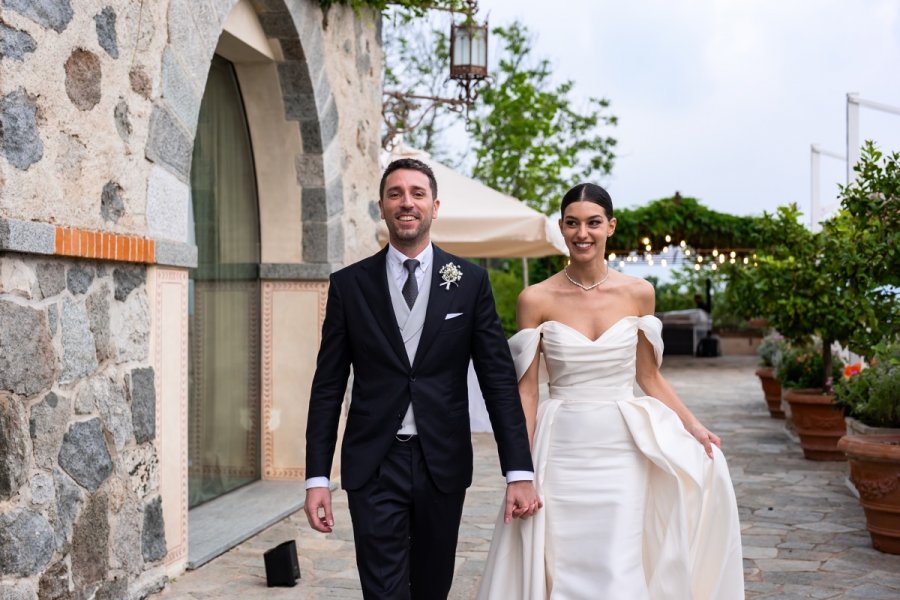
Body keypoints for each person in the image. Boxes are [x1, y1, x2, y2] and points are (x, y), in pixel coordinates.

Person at [477, 183, 744, 599]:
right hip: (562, 446)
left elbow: (649, 377)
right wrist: (520, 470)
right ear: (562, 229)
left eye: (593, 223)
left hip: (622, 448)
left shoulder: (639, 294)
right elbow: (527, 392)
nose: (583, 233)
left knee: (618, 559)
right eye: (572, 223)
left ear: (611, 227)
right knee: (563, 558)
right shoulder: (535, 298)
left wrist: (693, 426)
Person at [304, 158, 542, 600]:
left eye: (416, 193)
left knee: (432, 588)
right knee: (384, 592)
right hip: (374, 464)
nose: (406, 202)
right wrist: (317, 477)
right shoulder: (349, 286)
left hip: (442, 463)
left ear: (435, 206)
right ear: (382, 206)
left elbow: (498, 383)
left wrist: (519, 471)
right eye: (395, 194)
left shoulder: (471, 283)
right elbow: (328, 386)